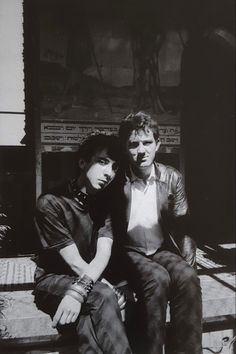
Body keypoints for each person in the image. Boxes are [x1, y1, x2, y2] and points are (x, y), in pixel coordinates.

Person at [109, 112, 202, 354]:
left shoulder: (172, 177)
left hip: (160, 249)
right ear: (125, 147)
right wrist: (116, 279)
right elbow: (105, 232)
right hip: (128, 252)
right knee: (157, 278)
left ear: (158, 144)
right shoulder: (116, 181)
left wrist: (187, 266)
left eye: (148, 142)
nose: (141, 150)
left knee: (188, 278)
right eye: (134, 144)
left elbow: (184, 229)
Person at [33, 133, 132, 354]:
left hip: (89, 279)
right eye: (102, 162)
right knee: (104, 296)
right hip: (53, 281)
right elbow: (75, 262)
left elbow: (102, 254)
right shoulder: (50, 202)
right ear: (82, 162)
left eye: (115, 168)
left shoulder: (105, 204)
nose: (109, 173)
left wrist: (81, 291)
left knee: (88, 320)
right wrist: (82, 289)